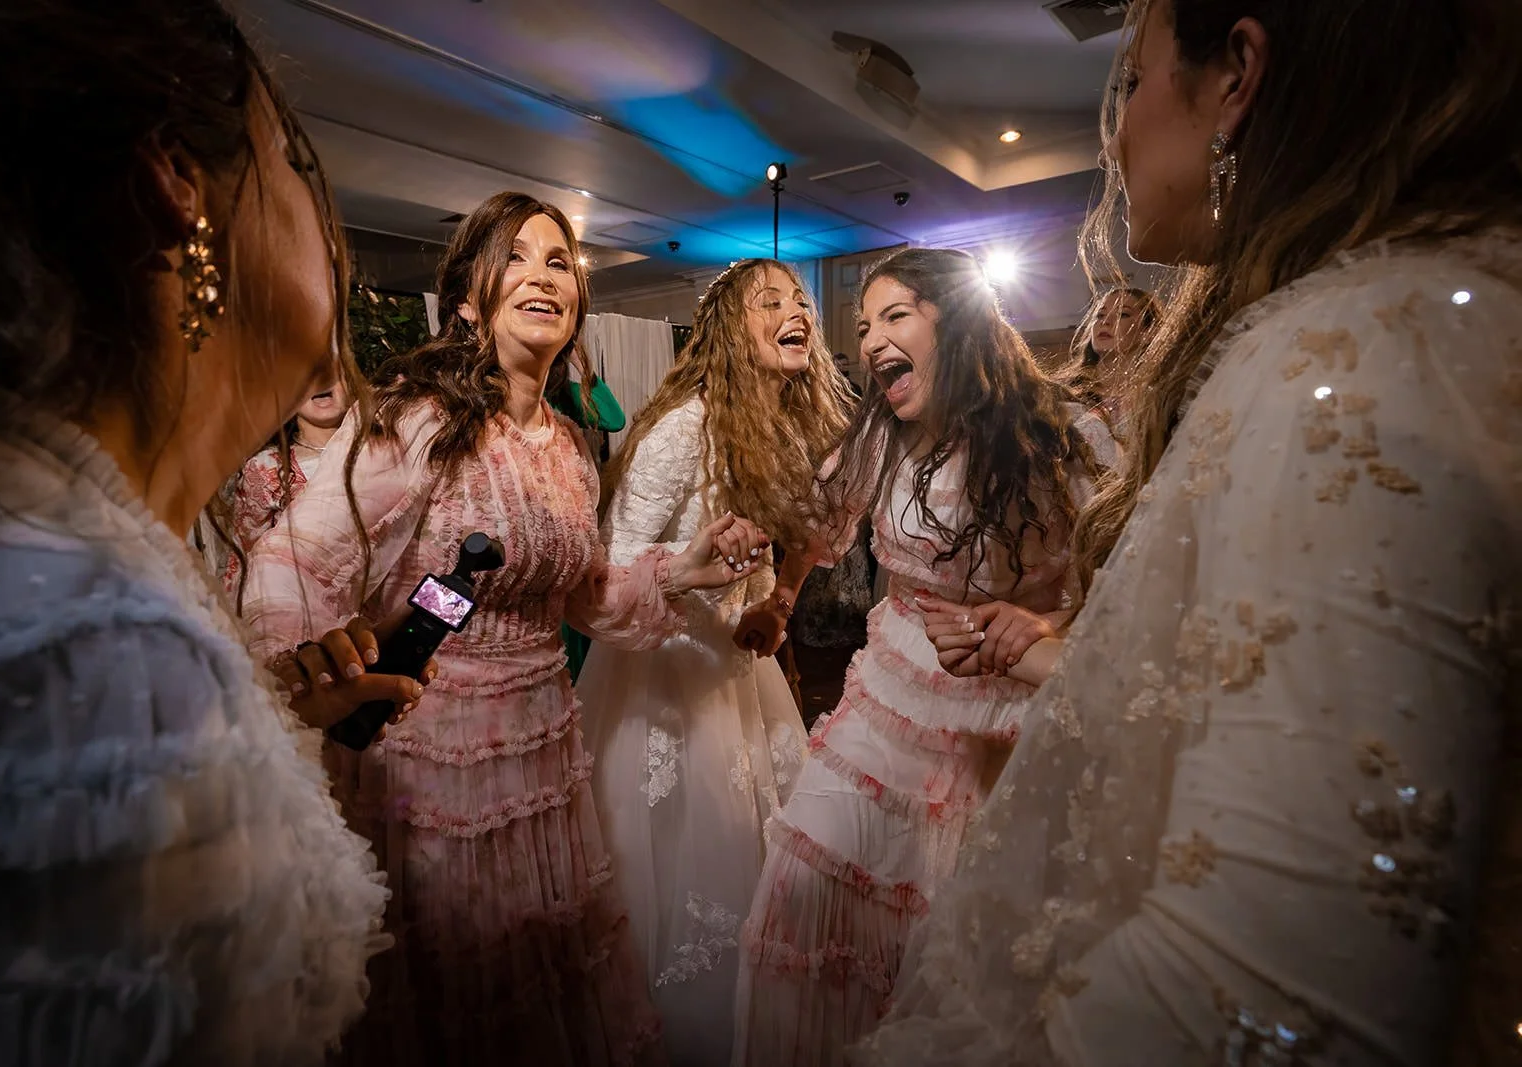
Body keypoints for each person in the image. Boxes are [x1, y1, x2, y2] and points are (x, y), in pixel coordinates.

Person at [860, 2, 1522, 1065]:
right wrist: (1045, 654)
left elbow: (1266, 997)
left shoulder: (1349, 369)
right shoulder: (1375, 327)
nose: (1116, 133)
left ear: (1235, 78)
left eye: (1131, 80)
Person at [0, 1, 437, 1061]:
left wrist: (269, 721)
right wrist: (164, 711)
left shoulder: (78, 577)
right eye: (295, 161)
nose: (322, 213)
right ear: (179, 184)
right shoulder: (86, 656)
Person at [243, 190, 770, 1067]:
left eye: (559, 261)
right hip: (436, 759)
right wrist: (315, 665)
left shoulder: (568, 445)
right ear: (466, 299)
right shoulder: (417, 419)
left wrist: (683, 569)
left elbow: (587, 597)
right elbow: (293, 556)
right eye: (516, 257)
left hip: (544, 749)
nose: (542, 276)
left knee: (545, 976)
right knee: (463, 985)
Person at [729, 248, 1106, 1066]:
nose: (870, 341)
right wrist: (779, 601)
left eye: (894, 316)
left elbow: (1126, 584)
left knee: (950, 943)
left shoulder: (1065, 435)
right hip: (887, 703)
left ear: (960, 322)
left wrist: (1047, 630)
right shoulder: (880, 438)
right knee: (800, 890)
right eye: (864, 326)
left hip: (1003, 725)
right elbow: (816, 532)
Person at [574, 258, 852, 1064]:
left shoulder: (791, 429)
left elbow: (808, 539)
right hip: (666, 677)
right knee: (691, 876)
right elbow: (613, 567)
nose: (798, 308)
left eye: (802, 299)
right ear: (731, 329)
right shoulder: (681, 428)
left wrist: (778, 603)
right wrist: (691, 564)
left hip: (745, 672)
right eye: (772, 301)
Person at [219, 374, 350, 598]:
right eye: (307, 375)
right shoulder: (267, 467)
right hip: (300, 605)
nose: (321, 380)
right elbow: (245, 555)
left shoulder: (382, 449)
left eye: (332, 372)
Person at [549, 367, 628, 680]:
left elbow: (614, 419)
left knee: (578, 634)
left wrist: (582, 370)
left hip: (573, 524)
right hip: (532, 521)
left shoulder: (563, 393)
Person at [1065, 285, 1160, 442]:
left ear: (1149, 332)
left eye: (1123, 314)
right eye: (1100, 315)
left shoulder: (1158, 397)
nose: (1106, 322)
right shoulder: (1067, 392)